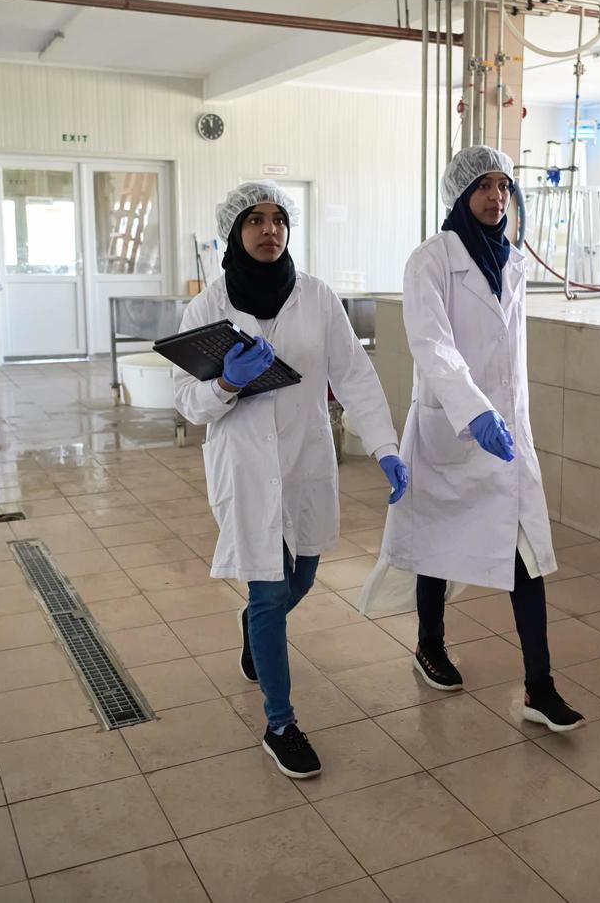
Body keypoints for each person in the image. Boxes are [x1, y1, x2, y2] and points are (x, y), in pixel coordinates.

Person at [173, 181, 409, 779]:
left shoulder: (318, 297)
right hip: (246, 468)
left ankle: (255, 628)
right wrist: (226, 384)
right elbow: (187, 403)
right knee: (269, 592)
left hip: (304, 461)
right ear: (235, 231)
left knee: (300, 574)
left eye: (278, 220)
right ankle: (280, 724)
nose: (269, 230)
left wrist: (384, 446)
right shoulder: (209, 306)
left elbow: (354, 375)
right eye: (255, 220)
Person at [362, 146, 583, 732]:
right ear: (460, 195)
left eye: (504, 187)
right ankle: (428, 644)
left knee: (527, 559)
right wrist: (475, 411)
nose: (496, 197)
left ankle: (540, 686)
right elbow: (432, 346)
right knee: (436, 543)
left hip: (507, 437)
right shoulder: (430, 260)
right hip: (450, 429)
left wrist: (503, 415)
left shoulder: (512, 260)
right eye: (484, 186)